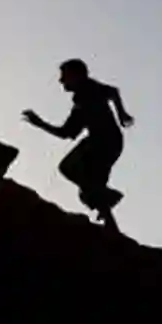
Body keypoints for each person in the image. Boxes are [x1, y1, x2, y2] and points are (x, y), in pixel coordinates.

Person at [22, 59, 133, 230]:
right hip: (110, 142)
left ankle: (108, 198)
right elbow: (67, 132)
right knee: (91, 187)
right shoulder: (86, 94)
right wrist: (121, 113)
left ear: (77, 76)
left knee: (69, 168)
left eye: (64, 76)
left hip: (102, 143)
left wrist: (122, 113)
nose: (61, 81)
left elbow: (66, 132)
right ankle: (110, 222)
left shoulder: (87, 91)